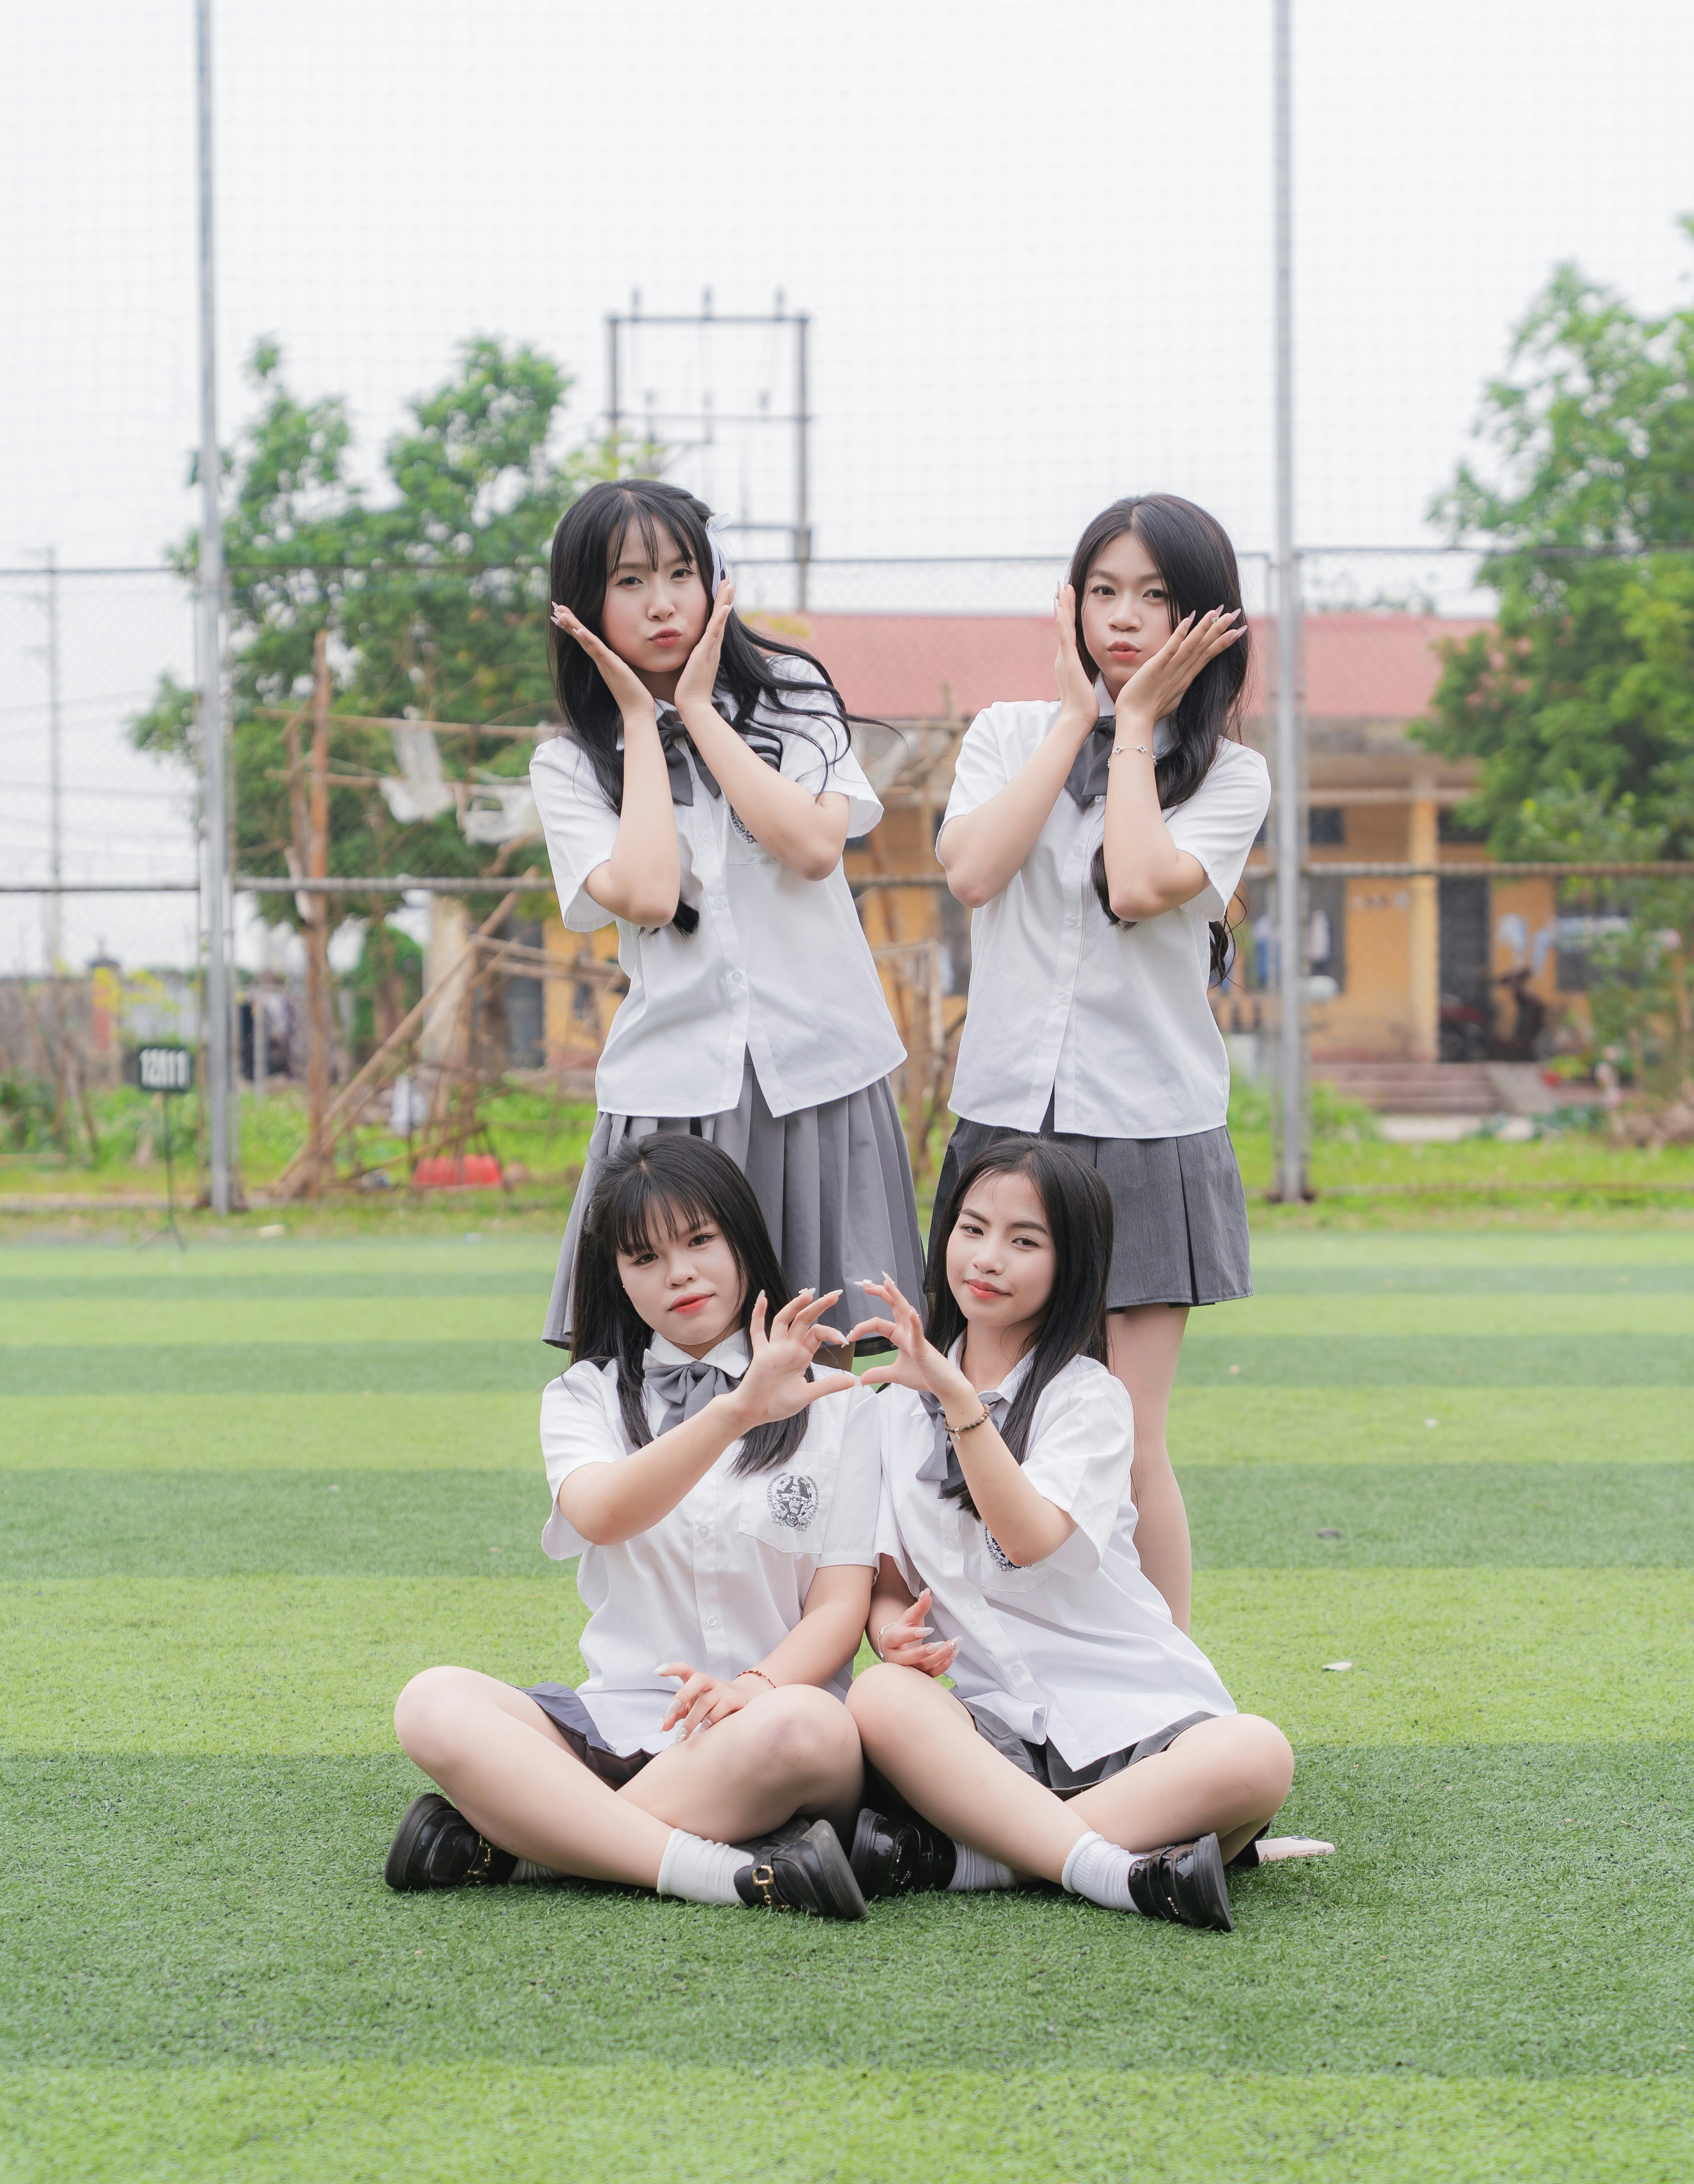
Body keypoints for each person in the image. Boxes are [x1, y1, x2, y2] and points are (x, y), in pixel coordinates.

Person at [385, 1135, 878, 1919]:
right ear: (615, 1277)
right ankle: (716, 1871)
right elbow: (601, 1513)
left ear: (742, 1241)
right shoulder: (583, 1396)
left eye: (699, 1241)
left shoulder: (841, 1403)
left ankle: (533, 1846)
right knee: (430, 1701)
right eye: (643, 1257)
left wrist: (751, 1690)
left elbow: (842, 1608)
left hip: (764, 1730)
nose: (677, 1272)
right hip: (613, 1725)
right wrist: (738, 1410)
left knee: (810, 1725)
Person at [844, 1137, 1330, 1931]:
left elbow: (1030, 1535)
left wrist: (959, 1400)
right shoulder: (890, 1406)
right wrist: (890, 1634)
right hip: (991, 1727)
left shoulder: (1090, 1400)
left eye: (1025, 1241)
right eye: (972, 1229)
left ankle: (977, 1862)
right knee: (881, 1697)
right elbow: (888, 1581)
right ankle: (1116, 1864)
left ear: (1071, 1266)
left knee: (1255, 1756)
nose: (988, 1258)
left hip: (1130, 1715)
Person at [933, 492, 1270, 1631]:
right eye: (1104, 592)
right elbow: (972, 872)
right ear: (1069, 605)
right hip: (1006, 1124)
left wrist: (1134, 731)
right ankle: (995, 1679)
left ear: (1207, 621)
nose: (1125, 619)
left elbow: (1135, 884)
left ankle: (1166, 1701)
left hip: (1148, 1127)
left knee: (1127, 1447)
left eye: (1158, 597)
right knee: (988, 1421)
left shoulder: (1233, 777)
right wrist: (1081, 724)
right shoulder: (1008, 732)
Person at [532, 478, 925, 1356]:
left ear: (717, 579)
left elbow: (811, 847)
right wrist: (640, 720)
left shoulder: (790, 695)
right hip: (673, 1093)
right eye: (629, 581)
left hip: (818, 1075)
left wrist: (700, 712)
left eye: (681, 572)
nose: (663, 602)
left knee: (830, 1355)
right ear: (581, 603)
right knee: (674, 1359)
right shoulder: (568, 763)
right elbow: (641, 892)